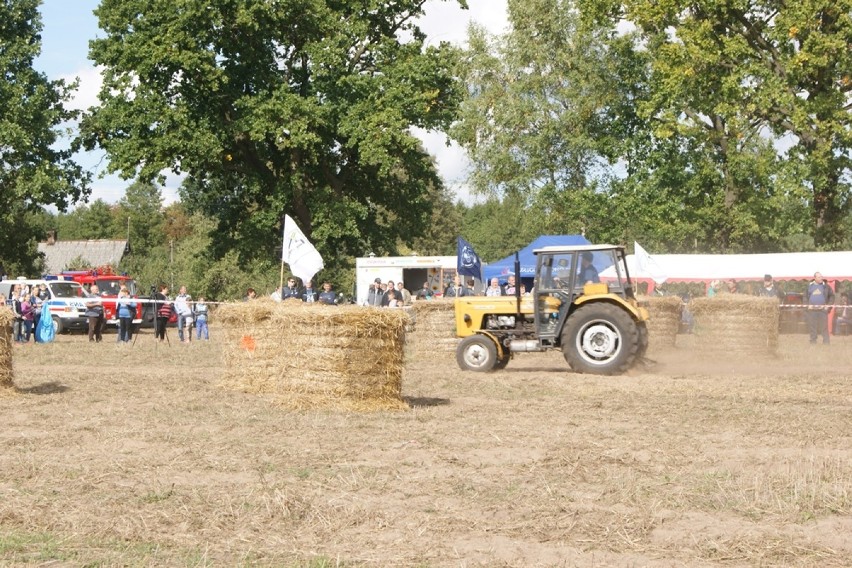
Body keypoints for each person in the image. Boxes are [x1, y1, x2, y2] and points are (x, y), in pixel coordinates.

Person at [806, 271, 834, 344]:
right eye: (819, 277)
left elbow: (832, 296)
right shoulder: (810, 286)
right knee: (813, 327)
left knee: (824, 327)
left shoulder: (826, 286)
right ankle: (813, 341)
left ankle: (826, 342)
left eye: (821, 276)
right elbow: (804, 297)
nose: (821, 278)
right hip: (812, 311)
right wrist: (807, 305)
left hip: (822, 310)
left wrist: (828, 306)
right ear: (814, 278)